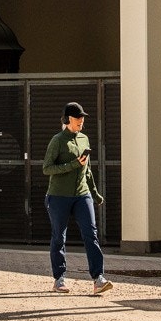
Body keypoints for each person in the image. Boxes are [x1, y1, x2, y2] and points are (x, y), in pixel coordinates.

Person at [42, 102, 112, 295]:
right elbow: (47, 168)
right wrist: (73, 165)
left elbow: (87, 170)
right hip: (58, 196)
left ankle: (98, 279)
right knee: (59, 237)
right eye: (77, 117)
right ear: (67, 120)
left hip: (82, 195)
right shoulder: (57, 141)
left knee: (91, 234)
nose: (81, 120)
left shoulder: (84, 139)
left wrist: (95, 194)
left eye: (82, 117)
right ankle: (59, 279)